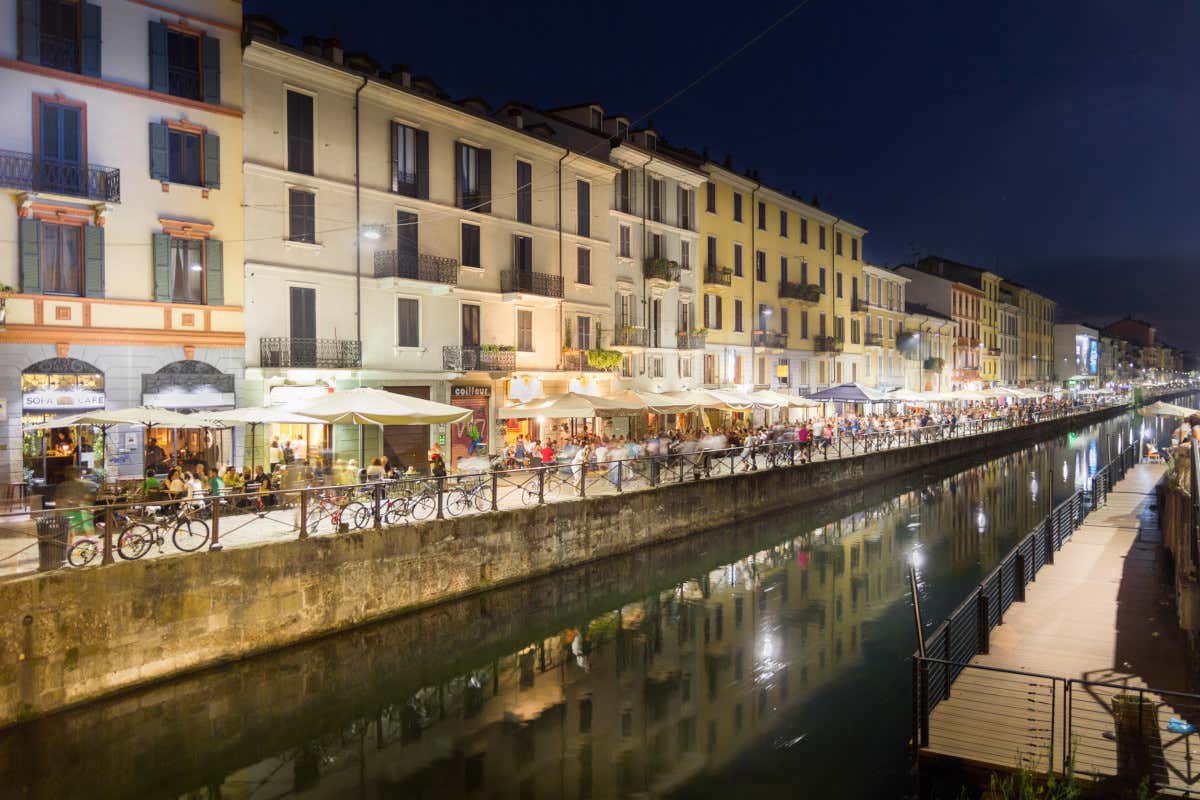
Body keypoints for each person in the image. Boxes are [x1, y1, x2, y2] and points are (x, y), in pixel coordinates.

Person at [55, 466, 95, 538]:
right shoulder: (63, 486)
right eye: (71, 473)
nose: (72, 475)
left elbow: (89, 497)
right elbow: (58, 502)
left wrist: (81, 500)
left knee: (86, 532)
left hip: (80, 512)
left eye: (74, 473)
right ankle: (76, 547)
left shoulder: (82, 484)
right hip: (71, 512)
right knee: (72, 533)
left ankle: (89, 546)